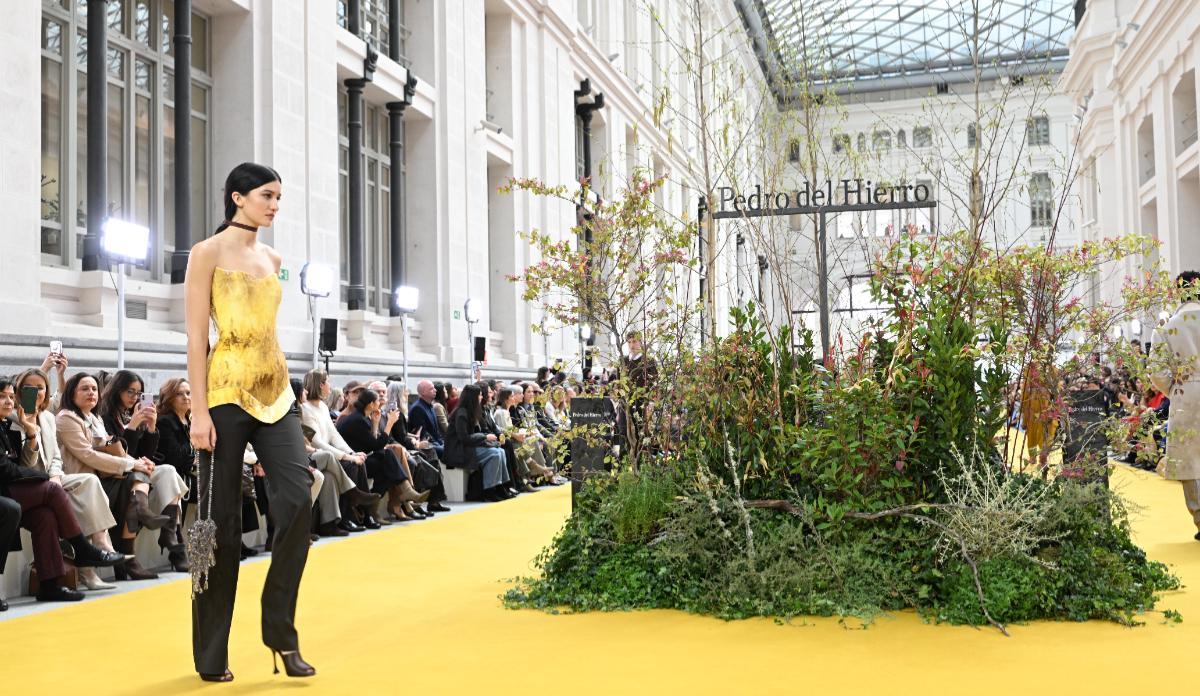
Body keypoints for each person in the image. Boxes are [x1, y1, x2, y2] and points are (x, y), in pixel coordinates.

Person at [184, 162, 316, 681]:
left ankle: (280, 634)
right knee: (219, 528)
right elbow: (197, 338)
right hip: (223, 395)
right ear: (238, 197)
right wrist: (197, 410)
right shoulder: (207, 253)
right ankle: (211, 651)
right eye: (267, 195)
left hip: (278, 393)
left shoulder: (274, 257)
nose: (275, 205)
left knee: (297, 500)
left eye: (279, 197)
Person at [0, 378, 126, 605]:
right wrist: (46, 477)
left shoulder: (10, 425)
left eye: (10, 396)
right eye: (2, 396)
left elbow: (29, 463)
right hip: (7, 489)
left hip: (15, 488)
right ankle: (82, 547)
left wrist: (30, 435)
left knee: (45, 517)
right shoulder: (11, 421)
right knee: (52, 491)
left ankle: (50, 585)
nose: (8, 401)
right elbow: (6, 470)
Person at [56, 372, 181, 581]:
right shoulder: (79, 417)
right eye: (85, 389)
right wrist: (133, 457)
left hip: (111, 473)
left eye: (94, 389)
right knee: (134, 480)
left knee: (167, 470)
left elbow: (121, 451)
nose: (91, 393)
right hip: (92, 479)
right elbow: (91, 454)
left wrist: (149, 432)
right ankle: (131, 547)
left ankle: (169, 537)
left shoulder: (94, 418)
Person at [98, 369, 189, 574]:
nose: (135, 397)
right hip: (115, 473)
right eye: (130, 392)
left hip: (135, 470)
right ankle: (131, 557)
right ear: (117, 390)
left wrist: (150, 428)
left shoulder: (131, 413)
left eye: (139, 393)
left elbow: (144, 453)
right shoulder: (104, 416)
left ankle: (169, 533)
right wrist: (132, 426)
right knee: (138, 482)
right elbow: (119, 453)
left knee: (168, 471)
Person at [1150, 270, 1200, 542]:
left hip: (1185, 392)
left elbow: (1156, 372)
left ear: (1178, 292)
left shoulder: (1168, 326)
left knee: (1190, 458)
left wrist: (1174, 388)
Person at [299, 370, 380, 534]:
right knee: (350, 465)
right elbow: (317, 442)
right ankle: (349, 512)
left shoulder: (322, 406)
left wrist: (352, 453)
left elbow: (334, 435)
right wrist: (347, 457)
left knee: (355, 464)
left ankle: (363, 514)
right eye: (328, 381)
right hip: (316, 455)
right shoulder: (305, 409)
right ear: (321, 384)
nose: (330, 385)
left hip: (328, 456)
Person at [336, 388, 429, 522]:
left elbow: (373, 444)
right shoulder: (357, 419)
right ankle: (406, 490)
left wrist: (375, 424)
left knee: (388, 465)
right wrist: (390, 423)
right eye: (377, 401)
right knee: (388, 458)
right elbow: (376, 445)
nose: (380, 403)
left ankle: (375, 509)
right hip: (352, 462)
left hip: (361, 458)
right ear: (370, 404)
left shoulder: (362, 417)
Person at [152, 378, 195, 572]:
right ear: (169, 398)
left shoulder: (191, 419)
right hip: (174, 474)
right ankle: (178, 549)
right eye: (180, 393)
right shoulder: (165, 421)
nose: (186, 397)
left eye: (188, 392)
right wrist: (195, 455)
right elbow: (175, 457)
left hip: (186, 474)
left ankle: (208, 545)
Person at [386, 381, 449, 512]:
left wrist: (413, 439)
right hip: (402, 447)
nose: (408, 393)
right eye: (405, 391)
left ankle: (432, 499)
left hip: (411, 444)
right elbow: (399, 436)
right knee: (426, 457)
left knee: (431, 455)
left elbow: (403, 434)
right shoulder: (402, 411)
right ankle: (425, 500)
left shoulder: (428, 406)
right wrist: (415, 442)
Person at [444, 384, 511, 501]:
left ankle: (500, 485)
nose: (481, 397)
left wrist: (485, 438)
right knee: (495, 454)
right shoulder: (462, 413)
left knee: (500, 451)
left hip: (466, 446)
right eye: (479, 395)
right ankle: (489, 489)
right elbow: (464, 438)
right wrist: (485, 437)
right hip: (457, 450)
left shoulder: (470, 411)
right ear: (472, 397)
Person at [408, 380, 446, 458]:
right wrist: (440, 445)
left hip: (435, 442)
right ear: (423, 393)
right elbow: (422, 434)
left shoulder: (430, 405)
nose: (435, 390)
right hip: (425, 445)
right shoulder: (418, 408)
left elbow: (435, 431)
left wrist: (442, 443)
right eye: (431, 389)